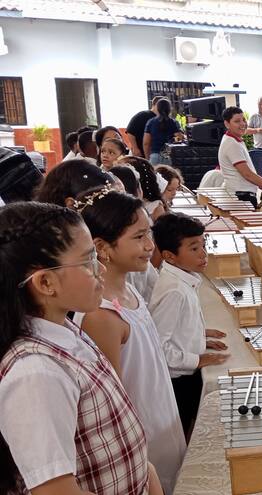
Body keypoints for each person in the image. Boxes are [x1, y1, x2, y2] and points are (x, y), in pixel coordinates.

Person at [0, 202, 163, 495]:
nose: (100, 268)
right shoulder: (36, 372)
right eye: (88, 261)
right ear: (46, 282)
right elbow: (55, 491)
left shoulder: (66, 330)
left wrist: (146, 471)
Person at [76, 189, 186, 494]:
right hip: (142, 439)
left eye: (148, 233)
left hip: (163, 417)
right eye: (138, 238)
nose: (150, 246)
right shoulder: (101, 316)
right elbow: (111, 405)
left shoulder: (128, 291)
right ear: (102, 247)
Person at [150, 213, 229, 437]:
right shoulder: (174, 290)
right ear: (169, 256)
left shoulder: (182, 279)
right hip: (180, 381)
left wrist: (200, 336)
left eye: (203, 245)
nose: (204, 254)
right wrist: (198, 359)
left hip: (186, 372)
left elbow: (175, 327)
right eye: (194, 248)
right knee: (185, 429)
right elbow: (158, 347)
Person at [218, 106, 262, 205]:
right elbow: (247, 174)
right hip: (240, 196)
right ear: (227, 124)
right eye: (237, 121)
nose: (242, 124)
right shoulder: (232, 144)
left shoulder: (234, 140)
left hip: (243, 194)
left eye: (244, 120)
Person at [143, 98, 184, 166]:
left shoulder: (151, 122)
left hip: (154, 156)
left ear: (158, 108)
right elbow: (180, 137)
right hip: (168, 156)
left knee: (156, 176)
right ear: (169, 109)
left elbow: (146, 143)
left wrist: (147, 158)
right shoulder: (173, 122)